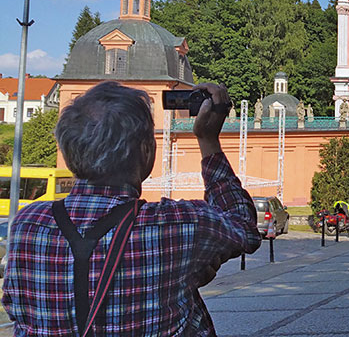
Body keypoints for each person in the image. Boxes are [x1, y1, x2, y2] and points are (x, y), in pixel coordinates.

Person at [1, 81, 261, 335]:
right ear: (146, 150)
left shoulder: (28, 225)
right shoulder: (178, 225)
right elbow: (243, 225)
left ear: (69, 151)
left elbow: (18, 311)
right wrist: (208, 140)